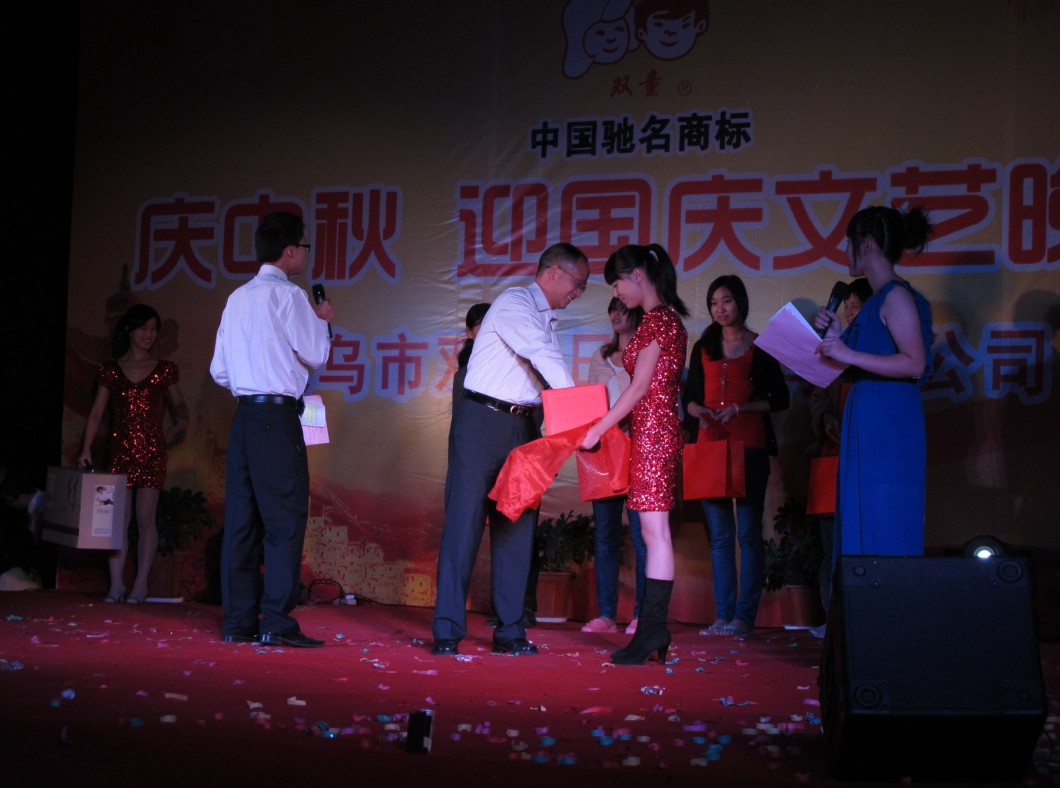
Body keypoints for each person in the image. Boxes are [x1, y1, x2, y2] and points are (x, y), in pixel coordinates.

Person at [431, 243, 590, 657]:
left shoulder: (547, 319)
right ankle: (447, 629)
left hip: (523, 427)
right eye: (578, 284)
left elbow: (544, 377)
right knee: (464, 526)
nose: (578, 293)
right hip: (482, 423)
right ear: (553, 273)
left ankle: (511, 631)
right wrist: (583, 414)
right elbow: (543, 356)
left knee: (516, 529)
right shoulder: (516, 302)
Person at [209, 211, 334, 647]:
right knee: (283, 520)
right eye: (305, 246)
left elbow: (219, 371)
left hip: (244, 416)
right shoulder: (290, 295)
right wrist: (323, 320)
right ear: (290, 251)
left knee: (242, 521)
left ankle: (238, 622)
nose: (305, 254)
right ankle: (276, 621)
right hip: (277, 419)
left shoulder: (237, 298)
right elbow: (316, 354)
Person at [579, 244, 688, 665]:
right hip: (652, 432)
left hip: (654, 433)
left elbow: (640, 387)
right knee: (653, 533)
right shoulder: (664, 319)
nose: (617, 293)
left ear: (638, 275)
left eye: (617, 283)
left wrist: (598, 428)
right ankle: (652, 629)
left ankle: (652, 629)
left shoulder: (659, 320)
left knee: (655, 534)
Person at [815, 205, 934, 558]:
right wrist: (836, 338)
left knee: (886, 510)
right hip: (869, 410)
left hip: (888, 414)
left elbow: (914, 362)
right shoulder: (875, 301)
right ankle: (865, 588)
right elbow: (859, 358)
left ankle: (889, 590)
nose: (845, 251)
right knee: (865, 507)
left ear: (867, 244)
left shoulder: (895, 295)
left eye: (848, 243)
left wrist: (848, 353)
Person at [682, 275, 789, 639]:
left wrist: (741, 408)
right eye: (714, 303)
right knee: (721, 537)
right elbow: (689, 399)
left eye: (726, 301)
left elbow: (780, 399)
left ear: (740, 302)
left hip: (749, 446)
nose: (720, 309)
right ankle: (723, 615)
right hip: (710, 446)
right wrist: (698, 411)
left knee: (748, 534)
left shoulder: (761, 346)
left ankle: (744, 617)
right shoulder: (703, 346)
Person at [79, 304, 188, 604]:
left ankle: (140, 586)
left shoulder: (164, 369)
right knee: (117, 520)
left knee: (145, 517)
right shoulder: (110, 369)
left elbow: (180, 405)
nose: (148, 334)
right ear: (129, 330)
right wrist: (86, 447)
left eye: (153, 329)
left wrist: (181, 420)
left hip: (152, 450)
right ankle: (116, 585)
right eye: (143, 328)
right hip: (119, 450)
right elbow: (97, 412)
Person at [808, 278, 871, 634]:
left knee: (863, 541)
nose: (849, 312)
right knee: (830, 544)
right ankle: (832, 619)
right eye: (846, 306)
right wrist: (825, 420)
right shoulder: (835, 346)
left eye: (856, 305)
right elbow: (818, 394)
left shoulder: (876, 350)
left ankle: (863, 618)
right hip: (831, 456)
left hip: (865, 458)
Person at [582, 297, 646, 635]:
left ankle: (642, 615)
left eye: (622, 308)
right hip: (606, 453)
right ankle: (606, 614)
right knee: (605, 537)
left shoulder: (648, 353)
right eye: (612, 309)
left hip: (639, 452)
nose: (616, 315)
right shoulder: (600, 356)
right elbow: (591, 404)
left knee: (642, 537)